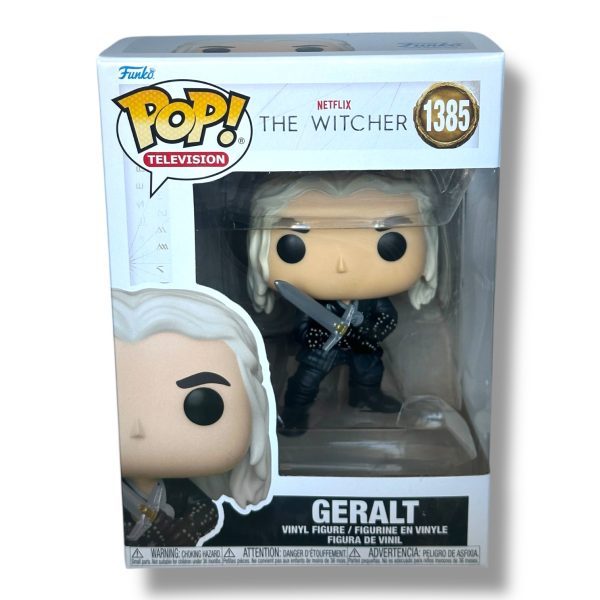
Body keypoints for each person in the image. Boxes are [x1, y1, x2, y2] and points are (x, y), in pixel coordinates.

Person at [247, 172, 438, 435]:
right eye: (293, 246)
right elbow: (302, 324)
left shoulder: (371, 303)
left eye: (391, 244)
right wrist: (314, 336)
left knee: (370, 373)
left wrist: (368, 333)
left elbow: (387, 318)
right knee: (305, 381)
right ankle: (294, 412)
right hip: (323, 349)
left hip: (361, 346)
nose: (342, 265)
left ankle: (366, 396)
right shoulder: (311, 303)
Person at [112, 287, 272, 545]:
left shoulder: (177, 490)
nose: (137, 428)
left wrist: (185, 529)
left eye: (203, 404)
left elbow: (205, 512)